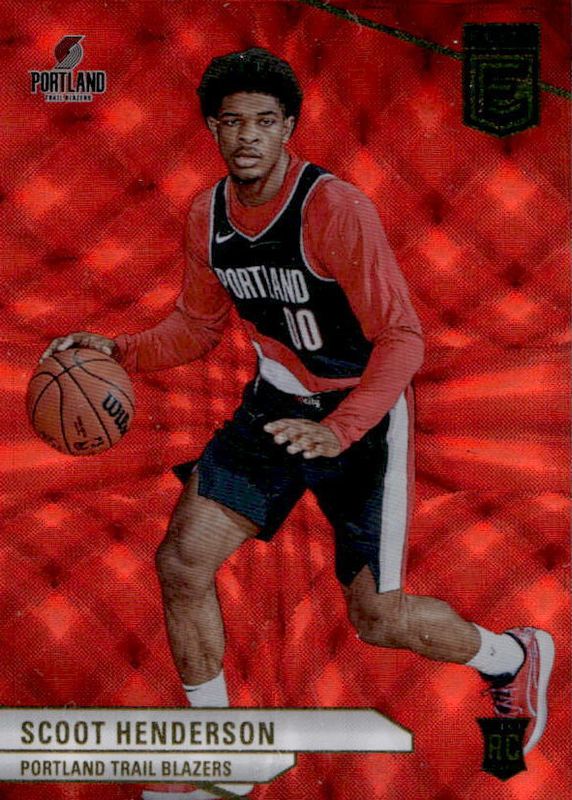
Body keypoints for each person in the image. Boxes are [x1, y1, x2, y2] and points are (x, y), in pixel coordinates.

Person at [42, 48, 554, 799]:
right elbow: (196, 327)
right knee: (182, 563)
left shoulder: (335, 209)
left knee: (379, 619)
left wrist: (340, 429)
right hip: (275, 407)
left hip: (364, 418)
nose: (247, 136)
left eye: (264, 121)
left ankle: (513, 657)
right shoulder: (207, 216)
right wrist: (116, 349)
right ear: (214, 129)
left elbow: (403, 340)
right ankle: (221, 763)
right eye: (232, 122)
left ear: (288, 129)